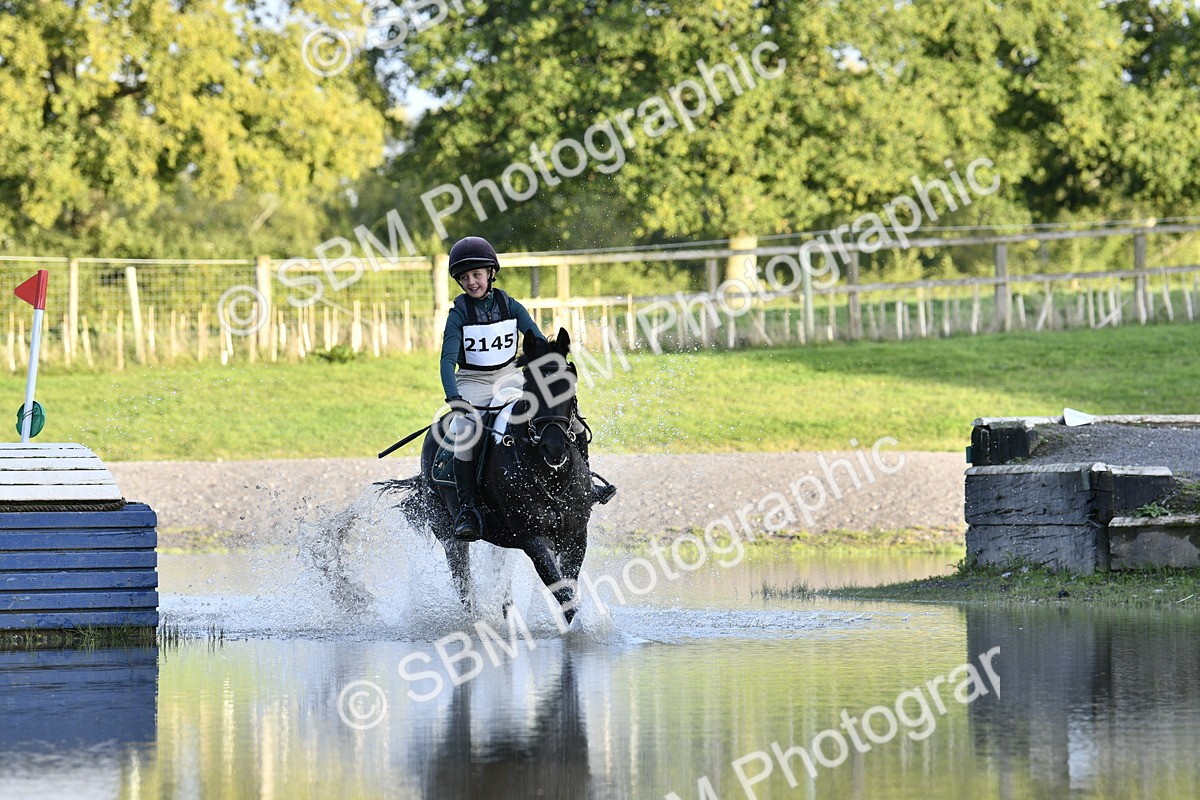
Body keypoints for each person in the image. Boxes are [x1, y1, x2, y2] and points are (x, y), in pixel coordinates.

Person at [440, 236, 614, 542]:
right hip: (473, 382)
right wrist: (455, 398)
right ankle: (467, 508)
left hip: (509, 377)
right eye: (464, 278)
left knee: (572, 421)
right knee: (466, 431)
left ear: (491, 273)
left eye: (477, 275)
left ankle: (585, 482)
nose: (472, 282)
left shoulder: (510, 306)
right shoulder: (458, 314)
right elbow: (447, 361)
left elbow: (538, 343)